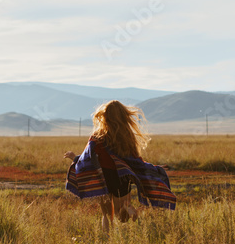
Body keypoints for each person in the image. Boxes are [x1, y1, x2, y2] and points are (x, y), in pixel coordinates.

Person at [64, 100, 175, 234]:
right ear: (124, 116)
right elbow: (135, 161)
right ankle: (128, 208)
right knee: (121, 215)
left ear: (104, 116)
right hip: (122, 177)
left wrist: (75, 158)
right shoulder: (126, 137)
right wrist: (154, 169)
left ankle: (106, 238)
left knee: (106, 214)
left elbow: (88, 158)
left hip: (104, 178)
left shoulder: (97, 137)